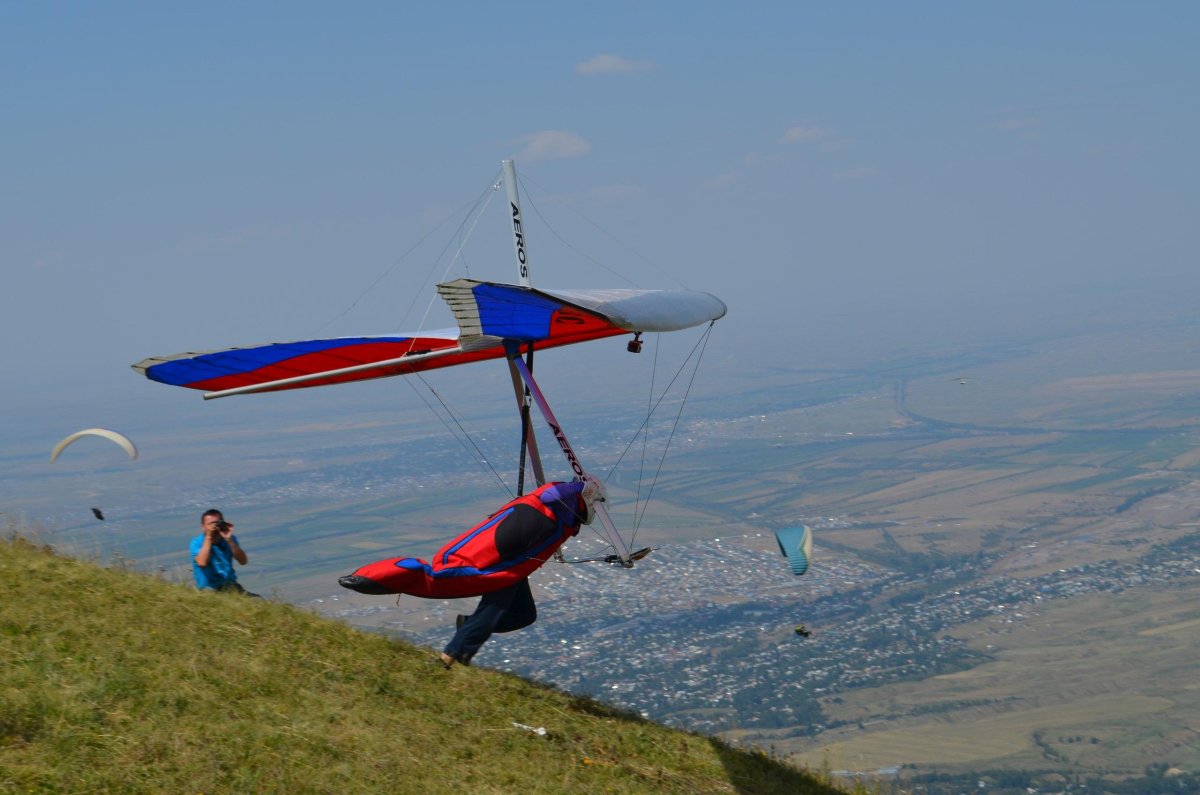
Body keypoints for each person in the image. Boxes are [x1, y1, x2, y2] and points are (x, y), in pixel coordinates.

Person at [438, 479, 602, 668]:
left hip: (516, 561)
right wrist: (579, 487)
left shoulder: (568, 518)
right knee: (494, 608)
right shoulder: (562, 499)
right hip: (506, 558)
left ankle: (467, 627)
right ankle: (452, 653)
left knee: (525, 614)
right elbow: (548, 495)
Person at [190, 508, 259, 596]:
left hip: (230, 585)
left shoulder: (230, 539)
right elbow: (202, 563)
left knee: (257, 600)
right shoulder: (197, 542)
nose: (215, 526)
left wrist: (229, 540)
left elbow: (243, 561)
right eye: (211, 524)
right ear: (203, 527)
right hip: (209, 589)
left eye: (217, 523)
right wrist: (208, 537)